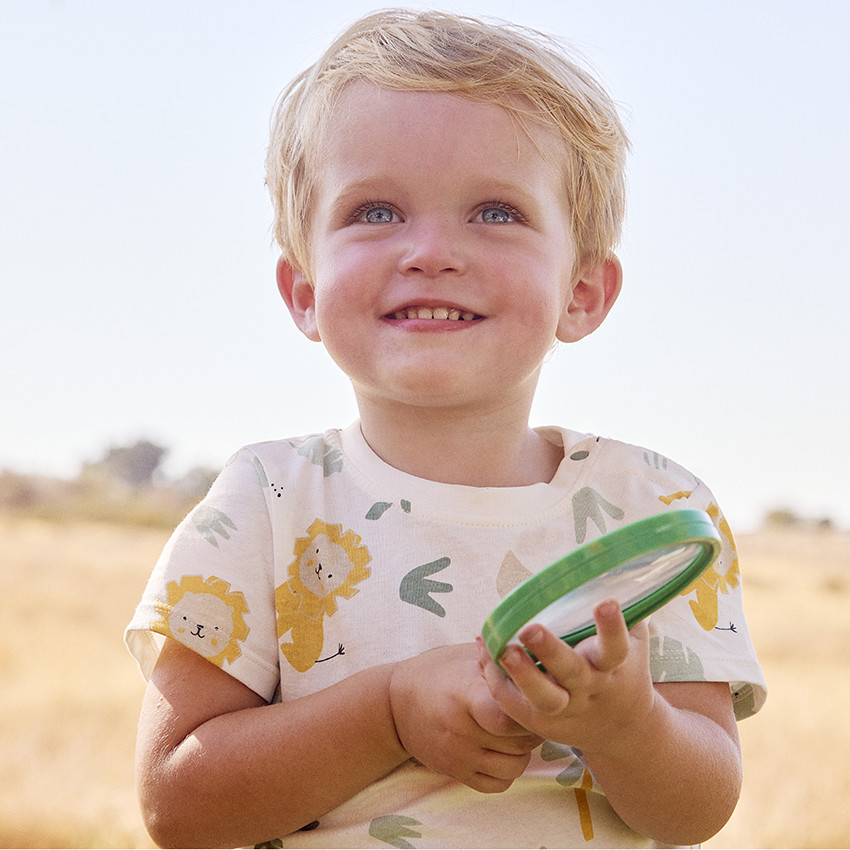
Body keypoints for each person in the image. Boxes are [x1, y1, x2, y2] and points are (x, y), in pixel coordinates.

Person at [125, 9, 766, 848]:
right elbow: (179, 806)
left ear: (582, 292)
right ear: (303, 291)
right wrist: (388, 713)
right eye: (377, 211)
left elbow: (697, 813)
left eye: (496, 213)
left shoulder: (657, 508)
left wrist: (627, 723)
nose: (431, 251)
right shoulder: (265, 502)